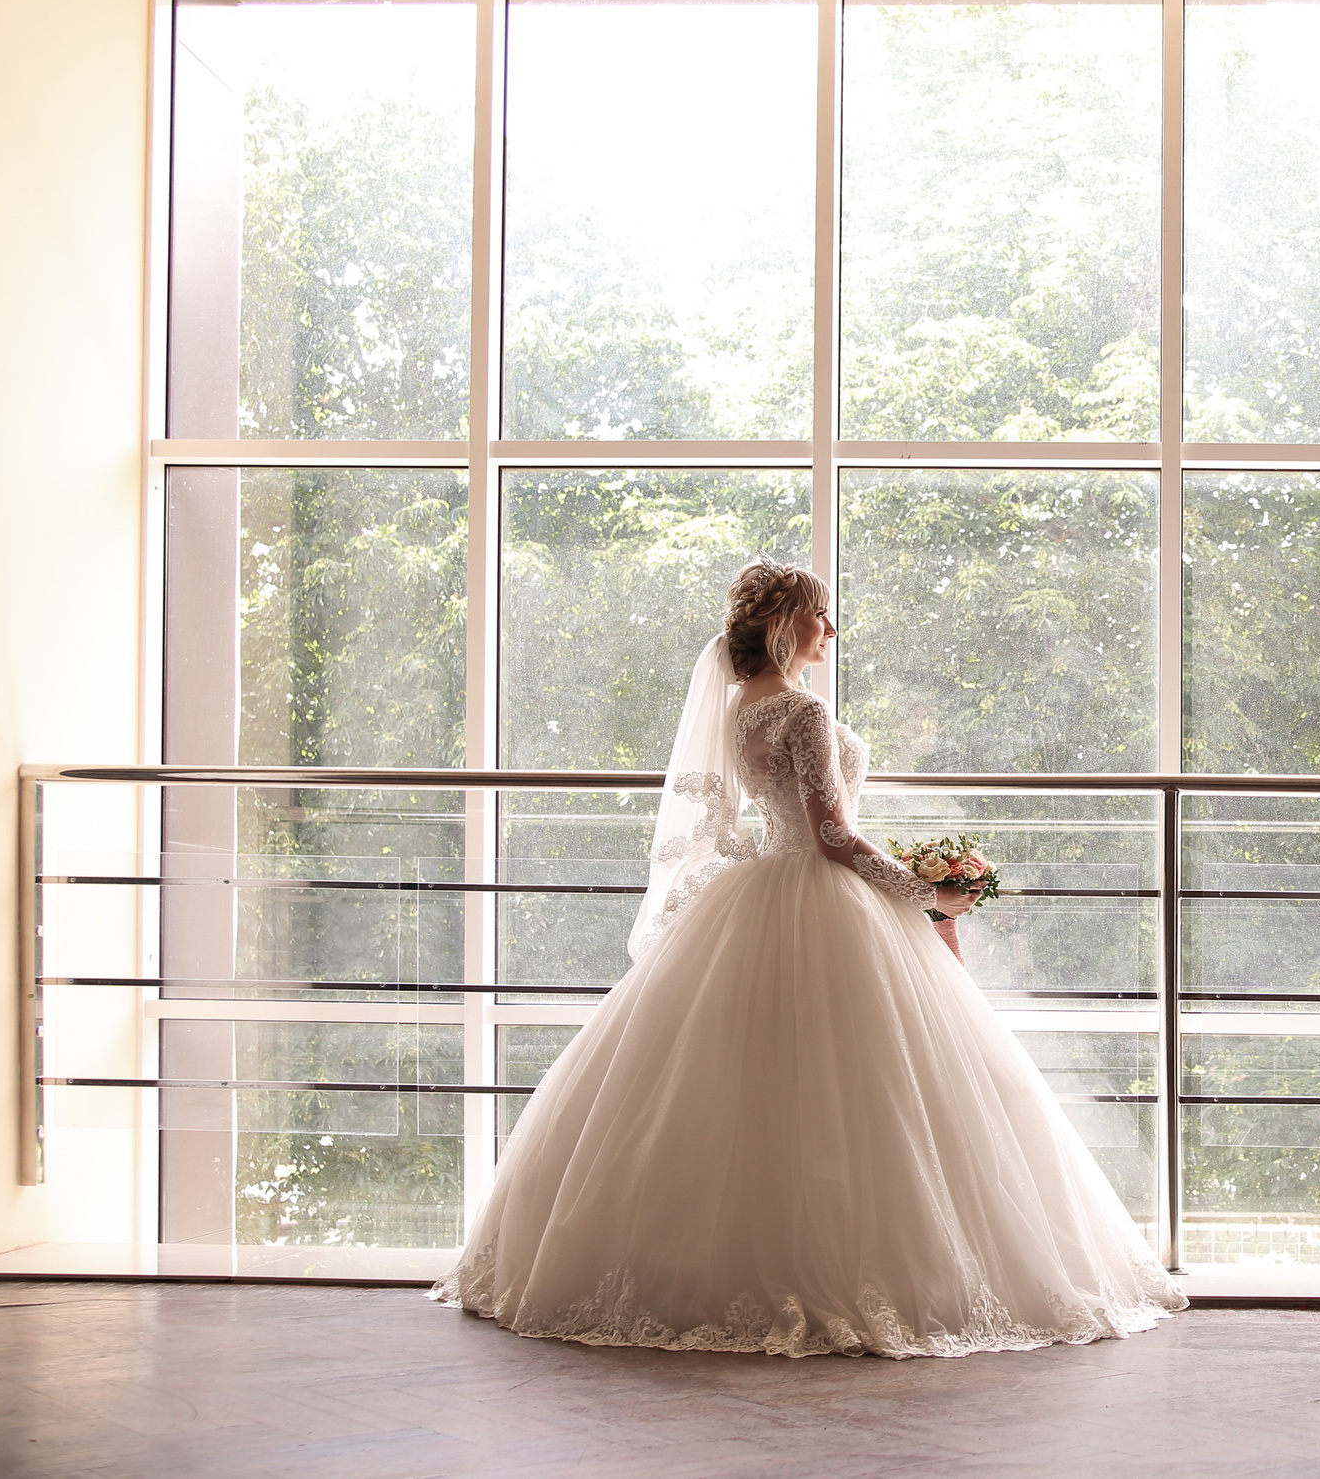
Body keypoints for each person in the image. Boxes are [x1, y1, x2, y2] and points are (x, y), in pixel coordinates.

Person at [434, 560, 1185, 1356]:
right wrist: (922, 894)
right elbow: (831, 836)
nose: (832, 629)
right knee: (866, 1086)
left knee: (747, 1088)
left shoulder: (738, 711)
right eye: (824, 616)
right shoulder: (801, 711)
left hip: (760, 892)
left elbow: (785, 819)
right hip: (824, 895)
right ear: (790, 625)